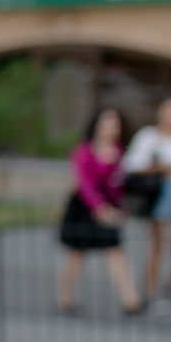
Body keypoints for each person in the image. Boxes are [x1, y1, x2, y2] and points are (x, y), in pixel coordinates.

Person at [56, 107, 142, 315]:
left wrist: (120, 208)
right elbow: (83, 183)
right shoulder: (84, 149)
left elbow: (117, 183)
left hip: (109, 207)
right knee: (77, 253)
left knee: (114, 251)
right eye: (107, 123)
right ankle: (64, 297)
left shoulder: (118, 150)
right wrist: (99, 208)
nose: (111, 128)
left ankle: (130, 299)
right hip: (84, 207)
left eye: (115, 123)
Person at [124, 94, 171, 305]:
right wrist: (160, 167)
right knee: (158, 244)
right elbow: (132, 164)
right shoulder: (148, 135)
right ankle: (149, 290)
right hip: (157, 191)